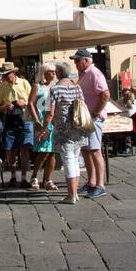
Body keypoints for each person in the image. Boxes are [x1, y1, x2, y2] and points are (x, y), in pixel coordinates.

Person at [40, 62, 84, 205]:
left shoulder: (55, 89)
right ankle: (75, 193)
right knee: (75, 159)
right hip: (78, 127)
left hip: (63, 129)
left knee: (68, 160)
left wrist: (44, 129)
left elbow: (49, 113)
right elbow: (82, 105)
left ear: (58, 72)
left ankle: (71, 195)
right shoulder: (77, 87)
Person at [73, 49, 110, 199]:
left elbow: (105, 94)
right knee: (87, 151)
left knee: (95, 150)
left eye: (77, 60)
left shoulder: (94, 73)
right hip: (86, 118)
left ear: (86, 60)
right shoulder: (84, 74)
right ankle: (91, 182)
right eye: (75, 61)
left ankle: (100, 185)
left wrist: (96, 112)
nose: (75, 63)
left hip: (93, 118)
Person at [0, 62, 32, 187]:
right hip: (10, 119)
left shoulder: (24, 83)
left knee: (24, 149)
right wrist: (5, 106)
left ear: (13, 73)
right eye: (3, 75)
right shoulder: (1, 87)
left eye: (6, 74)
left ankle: (24, 178)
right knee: (10, 150)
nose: (4, 77)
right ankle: (14, 177)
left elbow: (33, 101)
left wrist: (23, 103)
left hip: (25, 118)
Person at [27, 62, 58, 191]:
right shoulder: (37, 86)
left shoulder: (56, 87)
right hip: (41, 121)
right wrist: (35, 119)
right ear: (44, 73)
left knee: (52, 153)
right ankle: (34, 176)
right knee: (43, 151)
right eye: (51, 71)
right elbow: (30, 103)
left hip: (54, 122)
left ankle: (48, 180)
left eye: (54, 71)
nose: (53, 73)